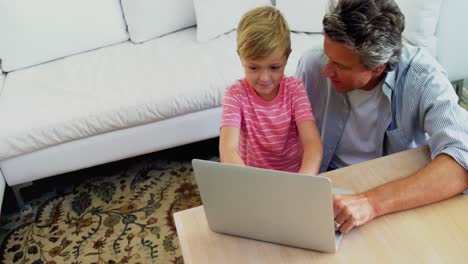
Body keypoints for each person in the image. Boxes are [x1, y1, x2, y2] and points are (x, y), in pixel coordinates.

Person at [296, 0, 468, 234]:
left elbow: (461, 160)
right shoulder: (312, 64)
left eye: (340, 65)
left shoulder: (423, 77)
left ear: (378, 67)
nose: (326, 71)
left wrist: (370, 203)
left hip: (392, 197)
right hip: (327, 187)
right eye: (328, 56)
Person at [220, 6, 323, 175]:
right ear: (240, 57)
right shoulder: (235, 94)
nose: (265, 78)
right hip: (253, 179)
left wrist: (304, 180)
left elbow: (312, 143)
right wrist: (245, 180)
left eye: (274, 67)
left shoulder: (294, 90)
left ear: (287, 57)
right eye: (253, 67)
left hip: (294, 176)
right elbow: (228, 149)